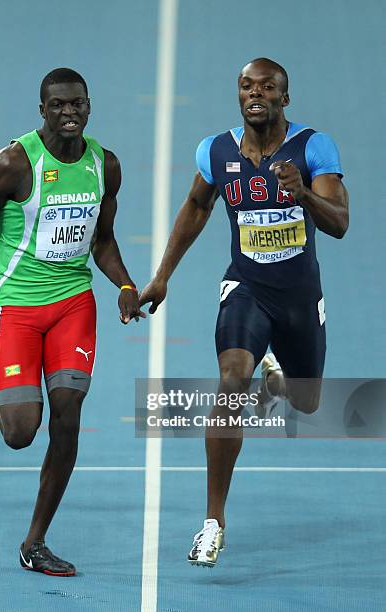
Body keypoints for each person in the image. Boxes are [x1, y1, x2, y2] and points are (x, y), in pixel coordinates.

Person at [140, 58, 348, 567]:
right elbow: (195, 207)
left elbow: (340, 222)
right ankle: (213, 521)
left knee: (309, 401)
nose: (256, 94)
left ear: (285, 97)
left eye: (268, 87)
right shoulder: (216, 151)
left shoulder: (314, 147)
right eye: (246, 86)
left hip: (299, 296)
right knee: (231, 381)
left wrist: (301, 194)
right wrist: (162, 275)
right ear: (238, 95)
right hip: (246, 288)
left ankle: (277, 370)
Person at [0, 68, 144, 576]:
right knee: (20, 433)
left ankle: (35, 541)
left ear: (89, 107)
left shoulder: (105, 166)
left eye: (77, 104)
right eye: (58, 105)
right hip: (19, 308)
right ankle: (6, 360)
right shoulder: (13, 163)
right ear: (42, 110)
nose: (68, 112)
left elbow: (102, 239)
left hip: (74, 302)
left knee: (67, 416)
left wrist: (124, 285)